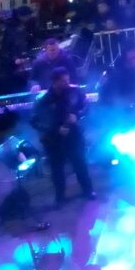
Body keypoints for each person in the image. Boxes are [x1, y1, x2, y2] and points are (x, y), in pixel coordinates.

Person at [31, 68, 96, 207]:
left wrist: (77, 116)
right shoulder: (43, 100)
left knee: (80, 164)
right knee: (57, 170)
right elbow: (35, 122)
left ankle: (88, 190)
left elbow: (85, 107)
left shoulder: (74, 92)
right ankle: (60, 197)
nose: (67, 83)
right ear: (54, 82)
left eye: (67, 80)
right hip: (53, 141)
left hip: (73, 137)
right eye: (63, 81)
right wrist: (55, 129)